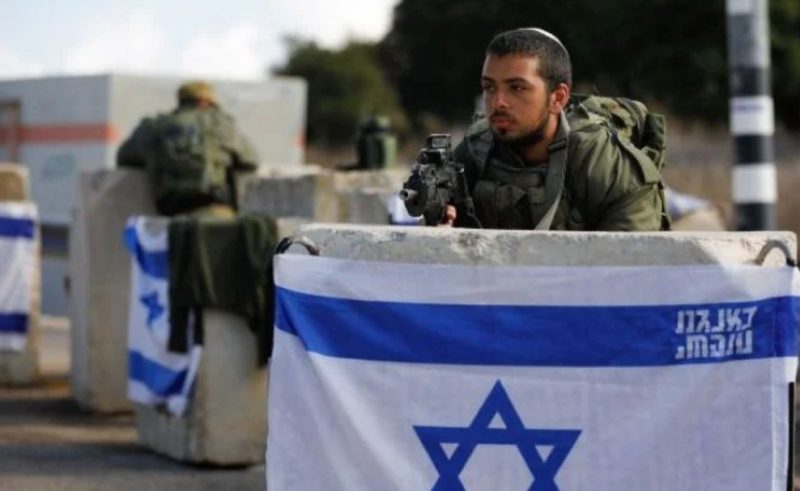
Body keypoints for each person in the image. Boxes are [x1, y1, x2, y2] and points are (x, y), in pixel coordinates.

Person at [442, 28, 669, 231]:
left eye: (517, 88)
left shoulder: (607, 167)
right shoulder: (476, 151)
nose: (498, 102)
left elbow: (634, 259)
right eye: (489, 87)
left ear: (558, 98)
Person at [117, 81, 258, 217]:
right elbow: (250, 160)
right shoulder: (220, 124)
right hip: (214, 208)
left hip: (170, 211)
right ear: (205, 102)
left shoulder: (154, 127)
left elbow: (124, 157)